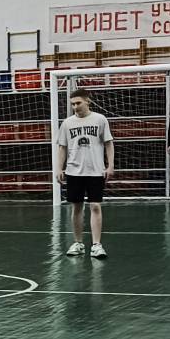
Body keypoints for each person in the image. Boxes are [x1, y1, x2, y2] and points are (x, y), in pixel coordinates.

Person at [56, 90, 112, 258]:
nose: (75, 107)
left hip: (95, 170)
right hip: (74, 171)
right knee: (77, 207)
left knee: (95, 206)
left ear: (88, 101)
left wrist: (110, 166)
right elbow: (62, 147)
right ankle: (78, 243)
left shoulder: (100, 119)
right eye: (73, 104)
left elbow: (108, 143)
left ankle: (96, 245)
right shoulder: (67, 123)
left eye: (78, 103)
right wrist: (58, 168)